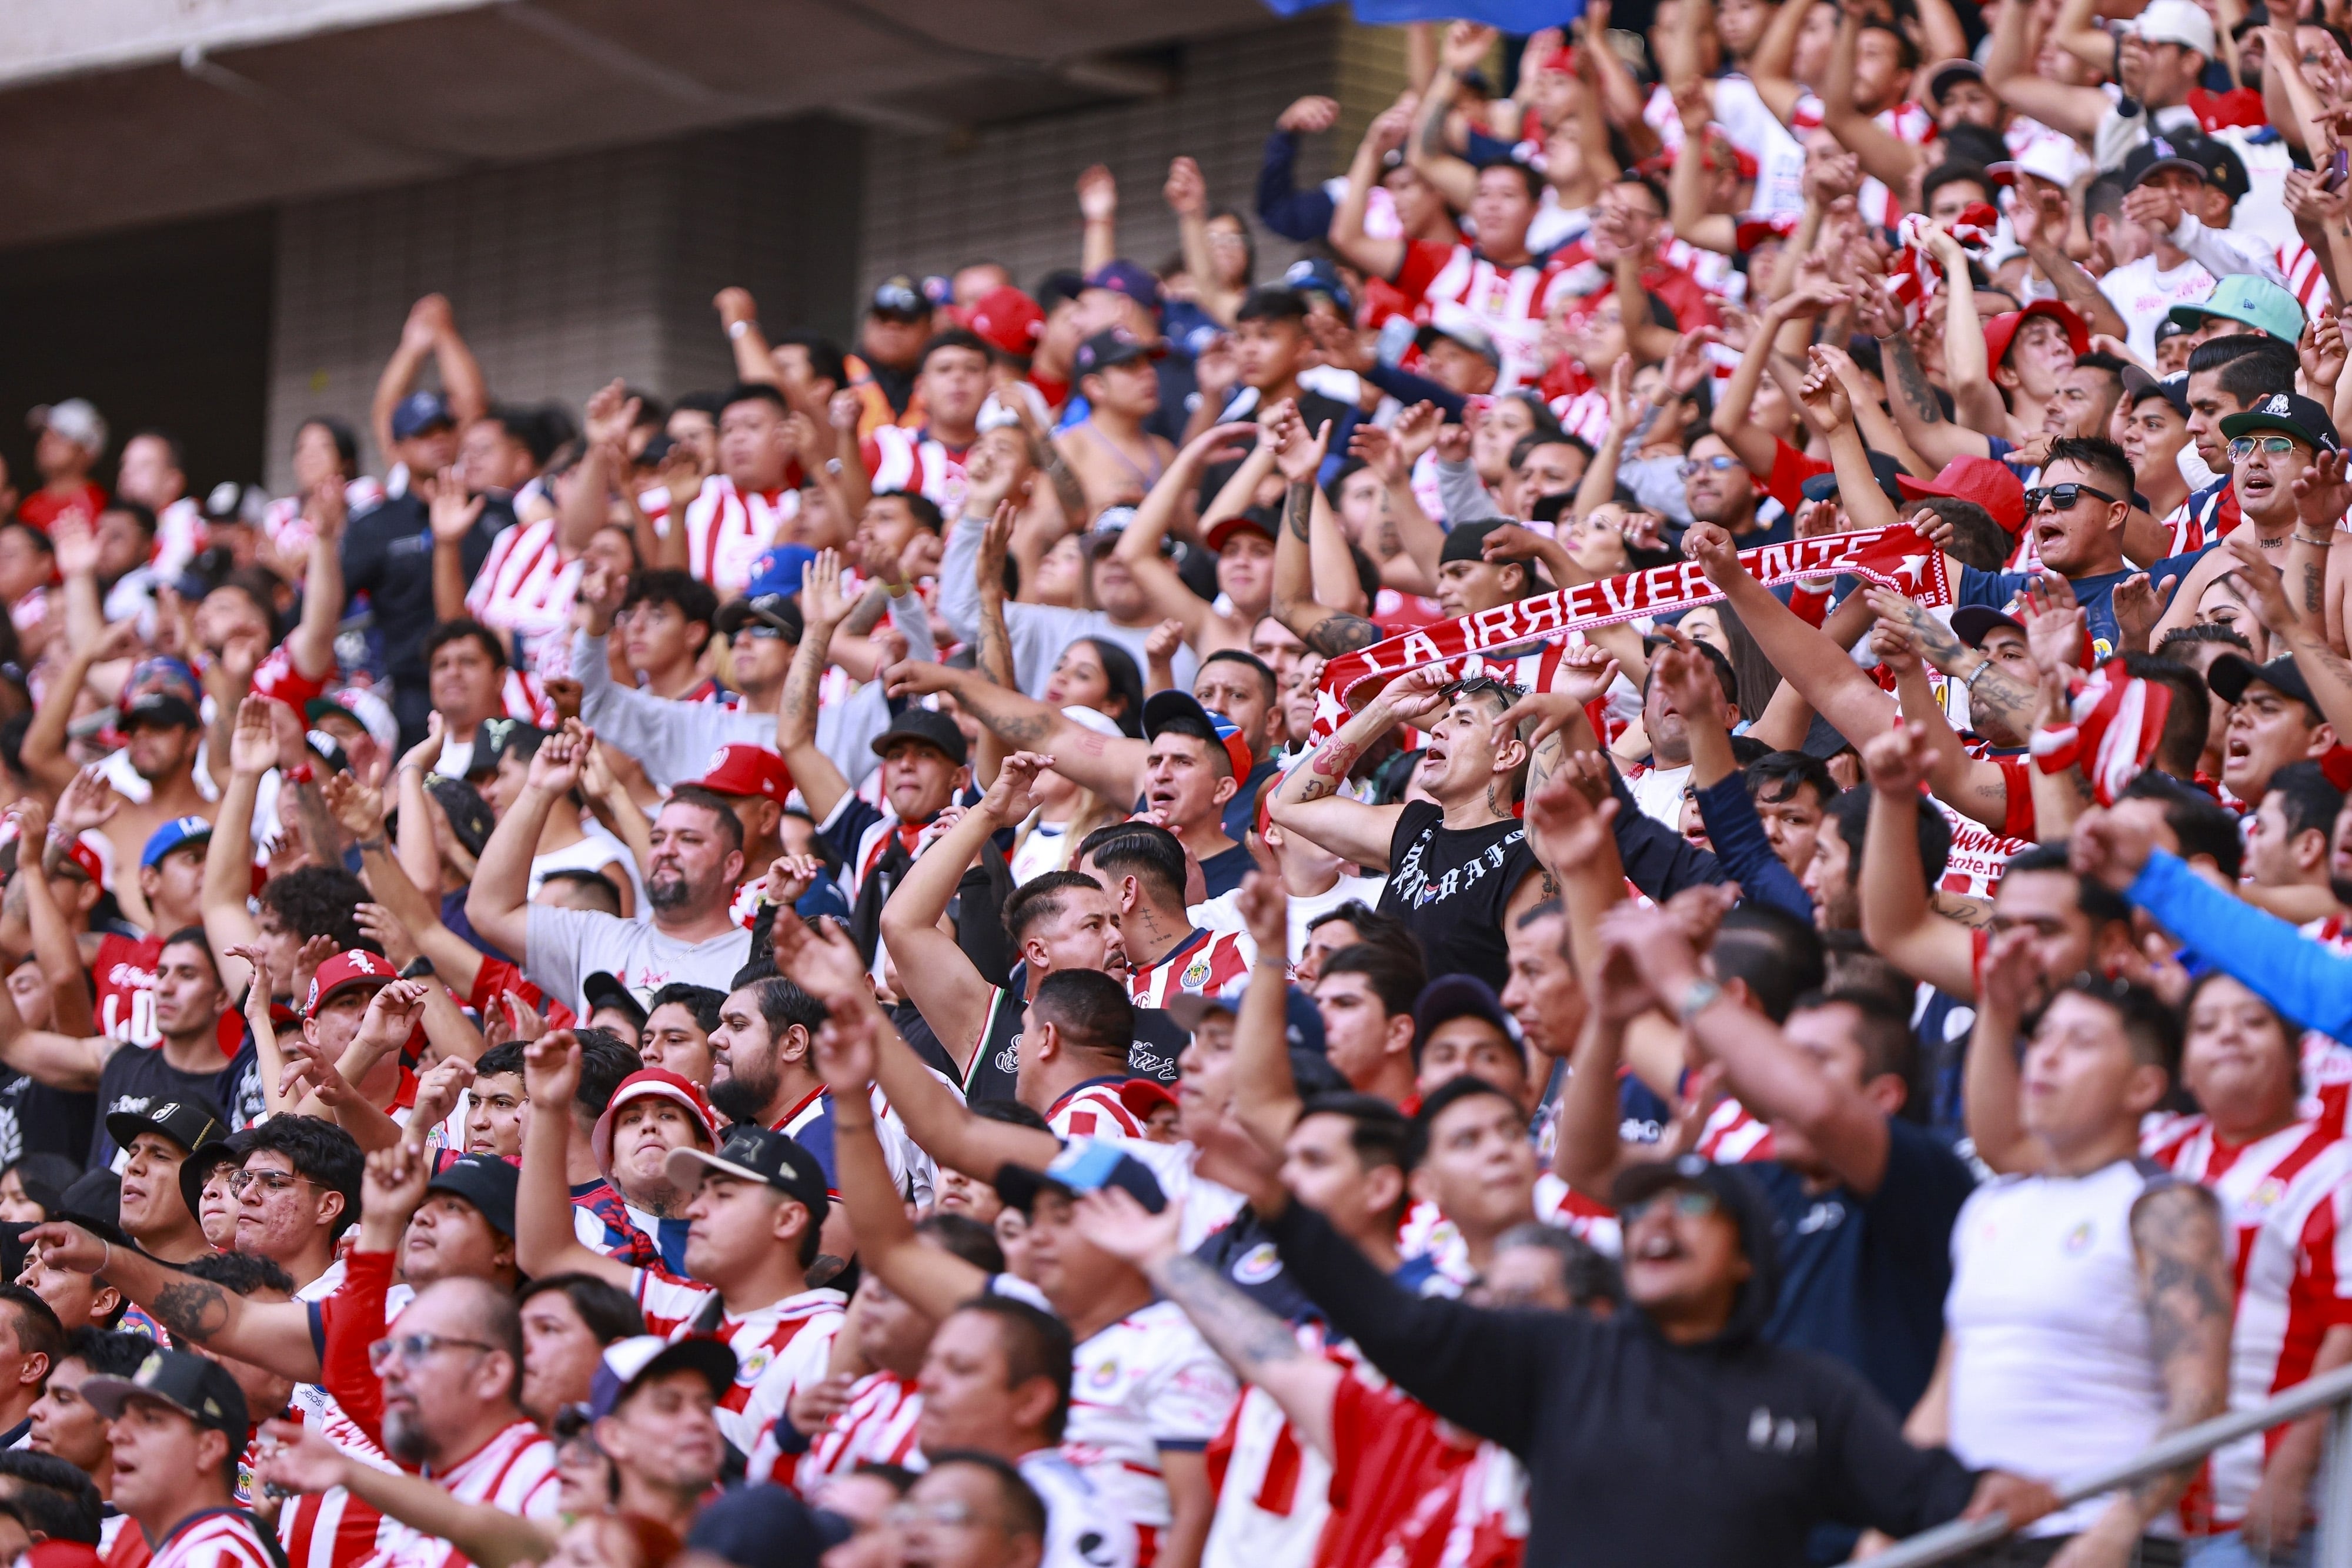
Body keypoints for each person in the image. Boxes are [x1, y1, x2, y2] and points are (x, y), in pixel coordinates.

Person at [515, 1033, 847, 1472]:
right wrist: (545, 1108)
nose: (697, 1206)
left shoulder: (834, 1341)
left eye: (723, 1195)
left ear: (786, 1221)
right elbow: (547, 1255)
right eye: (631, 1121)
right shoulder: (687, 1309)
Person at [1271, 668, 1551, 994]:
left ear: (1507, 754)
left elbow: (1538, 994)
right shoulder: (1413, 828)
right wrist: (1384, 709)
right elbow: (1286, 804)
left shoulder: (1528, 855)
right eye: (1443, 719)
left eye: (1463, 721)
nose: (1436, 729)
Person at [467, 724, 753, 1014]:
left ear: (731, 865)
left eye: (689, 839)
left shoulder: (756, 965)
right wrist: (538, 792)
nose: (665, 850)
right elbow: (489, 910)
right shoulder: (596, 938)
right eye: (656, 839)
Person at [78, 1349, 277, 1568]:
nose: (115, 1434)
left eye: (150, 1419)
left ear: (209, 1448)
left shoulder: (214, 1556)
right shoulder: (198, 1550)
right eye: (121, 1417)